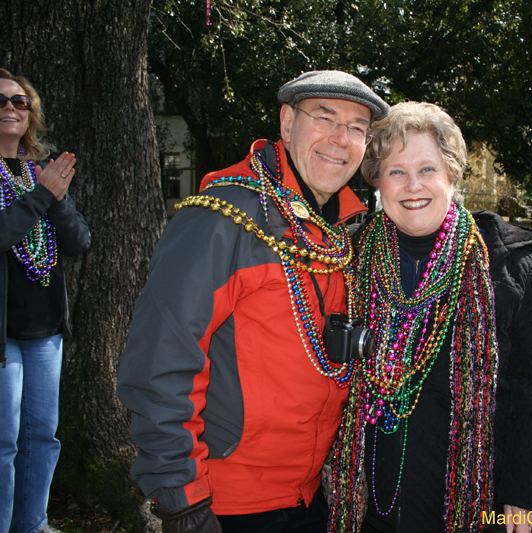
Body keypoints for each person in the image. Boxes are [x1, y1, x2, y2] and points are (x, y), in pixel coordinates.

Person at [116, 71, 389, 533]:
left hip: (311, 496)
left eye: (358, 128)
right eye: (325, 118)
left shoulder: (337, 233)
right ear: (286, 123)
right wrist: (182, 503)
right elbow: (159, 366)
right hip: (228, 505)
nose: (341, 140)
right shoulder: (220, 219)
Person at [327, 102, 532, 533]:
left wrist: (525, 495)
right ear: (377, 181)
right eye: (396, 171)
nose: (412, 185)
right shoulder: (349, 258)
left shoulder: (513, 263)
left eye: (427, 169)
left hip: (471, 502)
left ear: (452, 174)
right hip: (364, 504)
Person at [0, 70, 91, 533]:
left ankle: (31, 525)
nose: (11, 108)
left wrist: (53, 196)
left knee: (42, 437)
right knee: (3, 442)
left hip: (45, 331)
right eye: (1, 102)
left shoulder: (41, 172)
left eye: (19, 101)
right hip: (4, 335)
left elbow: (78, 243)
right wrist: (42, 194)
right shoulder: (39, 183)